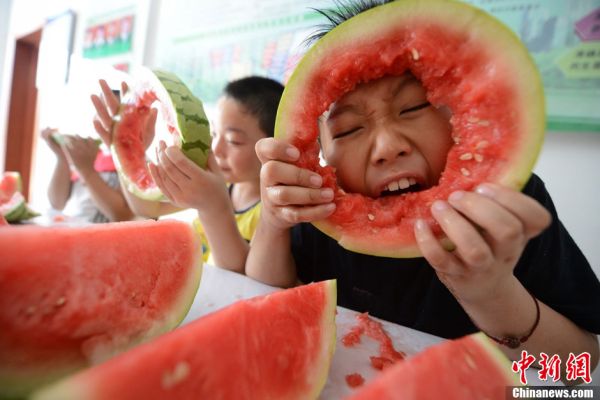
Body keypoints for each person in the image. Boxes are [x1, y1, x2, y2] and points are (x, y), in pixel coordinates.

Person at [245, 1, 600, 379]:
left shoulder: (509, 205)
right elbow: (265, 291)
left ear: (461, 114)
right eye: (348, 129)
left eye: (414, 107)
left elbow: (580, 366)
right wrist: (273, 221)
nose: (387, 148)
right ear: (320, 154)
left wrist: (492, 293)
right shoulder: (321, 210)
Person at [91, 76, 284, 272]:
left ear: (275, 144)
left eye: (234, 141)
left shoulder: (274, 211)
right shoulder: (218, 183)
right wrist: (128, 153)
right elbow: (148, 207)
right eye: (214, 134)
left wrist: (213, 207)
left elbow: (244, 277)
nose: (216, 149)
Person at [41, 127, 134, 223]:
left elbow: (120, 215)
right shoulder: (82, 158)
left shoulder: (126, 163)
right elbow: (57, 203)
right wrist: (62, 157)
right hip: (73, 230)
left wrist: (87, 171)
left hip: (101, 234)